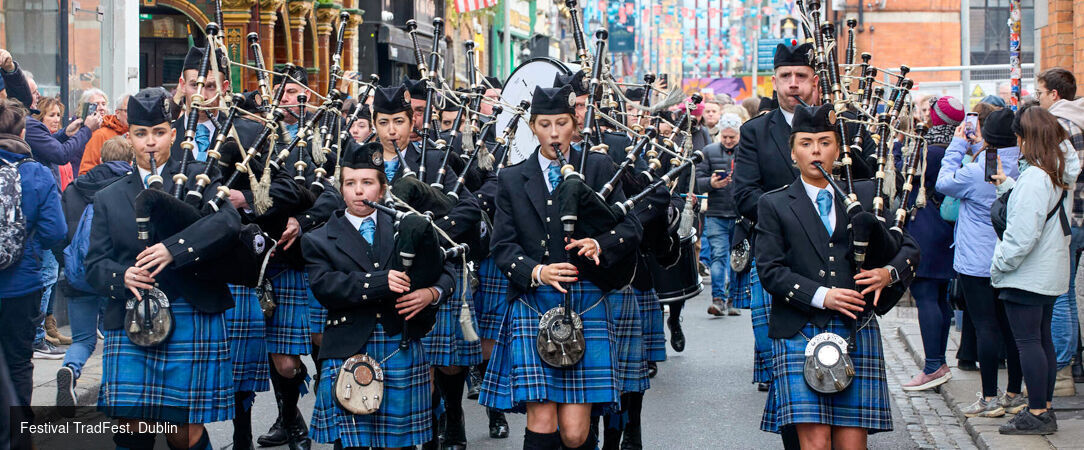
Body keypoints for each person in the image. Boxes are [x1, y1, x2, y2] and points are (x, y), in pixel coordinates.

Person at [479, 85, 641, 450]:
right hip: (533, 300)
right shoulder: (511, 178)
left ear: (574, 125)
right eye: (545, 124)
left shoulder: (598, 167)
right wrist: (538, 272)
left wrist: (600, 243)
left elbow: (631, 228)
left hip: (585, 299)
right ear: (533, 127)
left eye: (562, 123)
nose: (554, 133)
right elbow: (502, 247)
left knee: (575, 431)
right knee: (542, 418)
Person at [755, 102, 919, 449]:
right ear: (793, 151)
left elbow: (909, 248)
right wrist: (821, 295)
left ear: (838, 149)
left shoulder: (864, 196)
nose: (816, 150)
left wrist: (887, 274)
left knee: (852, 444)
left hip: (855, 329)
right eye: (806, 143)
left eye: (825, 142)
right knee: (814, 442)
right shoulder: (774, 204)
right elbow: (770, 271)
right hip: (798, 326)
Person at [85, 86, 240, 449]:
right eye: (141, 133)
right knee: (132, 429)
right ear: (130, 136)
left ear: (173, 132)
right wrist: (120, 276)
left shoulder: (200, 179)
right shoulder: (108, 197)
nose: (150, 142)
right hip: (131, 316)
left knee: (182, 433)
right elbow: (93, 265)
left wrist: (174, 250)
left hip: (191, 308)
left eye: (158, 132)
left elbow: (227, 224)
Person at [302, 141, 450, 450]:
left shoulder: (405, 225)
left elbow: (444, 268)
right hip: (347, 349)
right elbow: (327, 287)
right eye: (350, 183)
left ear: (382, 189)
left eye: (367, 183)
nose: (359, 191)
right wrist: (381, 282)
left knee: (402, 445)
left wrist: (431, 293)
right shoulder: (318, 239)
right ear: (340, 189)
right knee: (352, 445)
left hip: (400, 344)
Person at [371, 83, 483, 449]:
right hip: (382, 269)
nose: (392, 130)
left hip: (430, 268)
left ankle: (453, 411)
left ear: (410, 122)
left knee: (446, 362)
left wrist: (434, 232)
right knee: (413, 363)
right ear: (374, 123)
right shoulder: (359, 161)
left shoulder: (433, 159)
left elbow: (468, 207)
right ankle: (427, 427)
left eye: (399, 121)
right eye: (384, 121)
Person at [991, 105, 1081, 434]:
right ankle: (1044, 407)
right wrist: (1008, 187)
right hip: (1047, 269)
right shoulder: (1055, 169)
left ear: (1026, 138)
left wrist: (999, 263)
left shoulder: (1036, 177)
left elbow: (1021, 236)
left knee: (1029, 342)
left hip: (1027, 273)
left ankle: (1037, 411)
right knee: (1042, 340)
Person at [935, 107, 1026, 417]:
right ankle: (1014, 392)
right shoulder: (1023, 165)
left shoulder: (978, 170)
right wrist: (979, 147)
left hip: (977, 262)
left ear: (989, 137)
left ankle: (989, 397)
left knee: (986, 327)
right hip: (1012, 259)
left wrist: (958, 145)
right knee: (1012, 329)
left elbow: (944, 182)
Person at [0, 98, 66, 426]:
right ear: (23, 132)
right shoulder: (37, 174)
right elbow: (57, 232)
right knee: (18, 363)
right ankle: (18, 435)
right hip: (21, 285)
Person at [55, 136, 132, 410]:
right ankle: (112, 390)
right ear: (130, 160)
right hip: (115, 274)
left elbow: (58, 232)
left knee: (84, 339)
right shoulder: (130, 186)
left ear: (100, 159)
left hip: (78, 277)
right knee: (116, 337)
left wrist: (66, 262)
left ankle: (70, 369)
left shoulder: (75, 188)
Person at [896, 98, 960, 392]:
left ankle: (933, 364)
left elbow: (898, 177)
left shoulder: (927, 152)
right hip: (946, 229)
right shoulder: (956, 148)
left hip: (925, 229)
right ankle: (938, 361)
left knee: (925, 296)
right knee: (940, 296)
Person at [1037, 67, 1084, 392]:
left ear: (1054, 94)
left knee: (1062, 294)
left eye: (1040, 92)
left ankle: (1063, 371)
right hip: (1079, 215)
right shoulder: (1078, 119)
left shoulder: (1059, 124)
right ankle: (1070, 364)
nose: (1039, 98)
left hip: (1069, 218)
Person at [696, 112, 742, 316]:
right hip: (716, 212)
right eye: (725, 137)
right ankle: (718, 299)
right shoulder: (709, 151)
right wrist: (711, 184)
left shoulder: (748, 152)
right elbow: (697, 179)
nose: (729, 141)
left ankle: (732, 298)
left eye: (732, 137)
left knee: (736, 259)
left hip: (740, 214)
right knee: (719, 257)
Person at [78, 94, 130, 175]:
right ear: (117, 112)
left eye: (136, 110)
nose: (132, 114)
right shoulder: (101, 135)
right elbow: (85, 172)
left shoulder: (140, 135)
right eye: (127, 111)